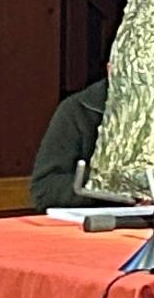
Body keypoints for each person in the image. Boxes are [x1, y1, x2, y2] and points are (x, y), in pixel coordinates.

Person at [29, 77, 109, 210]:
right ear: (111, 68)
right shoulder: (78, 110)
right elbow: (44, 190)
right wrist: (107, 182)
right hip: (97, 224)